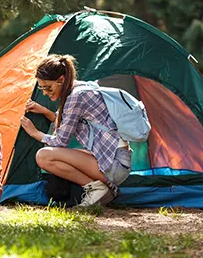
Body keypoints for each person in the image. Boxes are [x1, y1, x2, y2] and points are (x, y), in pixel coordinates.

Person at [20, 54, 132, 207]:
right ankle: (104, 188)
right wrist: (46, 112)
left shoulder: (76, 97)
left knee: (44, 156)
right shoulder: (80, 88)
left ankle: (96, 189)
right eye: (42, 87)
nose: (45, 92)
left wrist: (35, 133)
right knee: (58, 153)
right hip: (117, 160)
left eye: (48, 87)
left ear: (61, 80)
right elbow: (68, 122)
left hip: (115, 165)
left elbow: (61, 140)